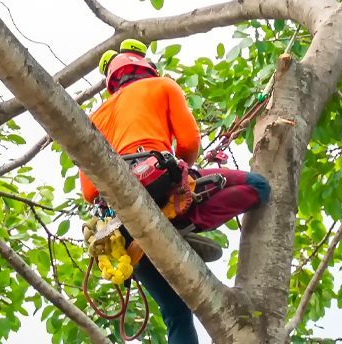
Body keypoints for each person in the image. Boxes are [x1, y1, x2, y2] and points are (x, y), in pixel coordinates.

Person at [78, 39, 270, 344]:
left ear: (111, 80)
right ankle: (184, 223)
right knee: (259, 186)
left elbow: (89, 191)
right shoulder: (162, 86)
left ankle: (180, 225)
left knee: (177, 315)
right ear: (145, 66)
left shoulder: (97, 115)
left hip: (124, 230)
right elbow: (190, 144)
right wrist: (185, 173)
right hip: (167, 189)